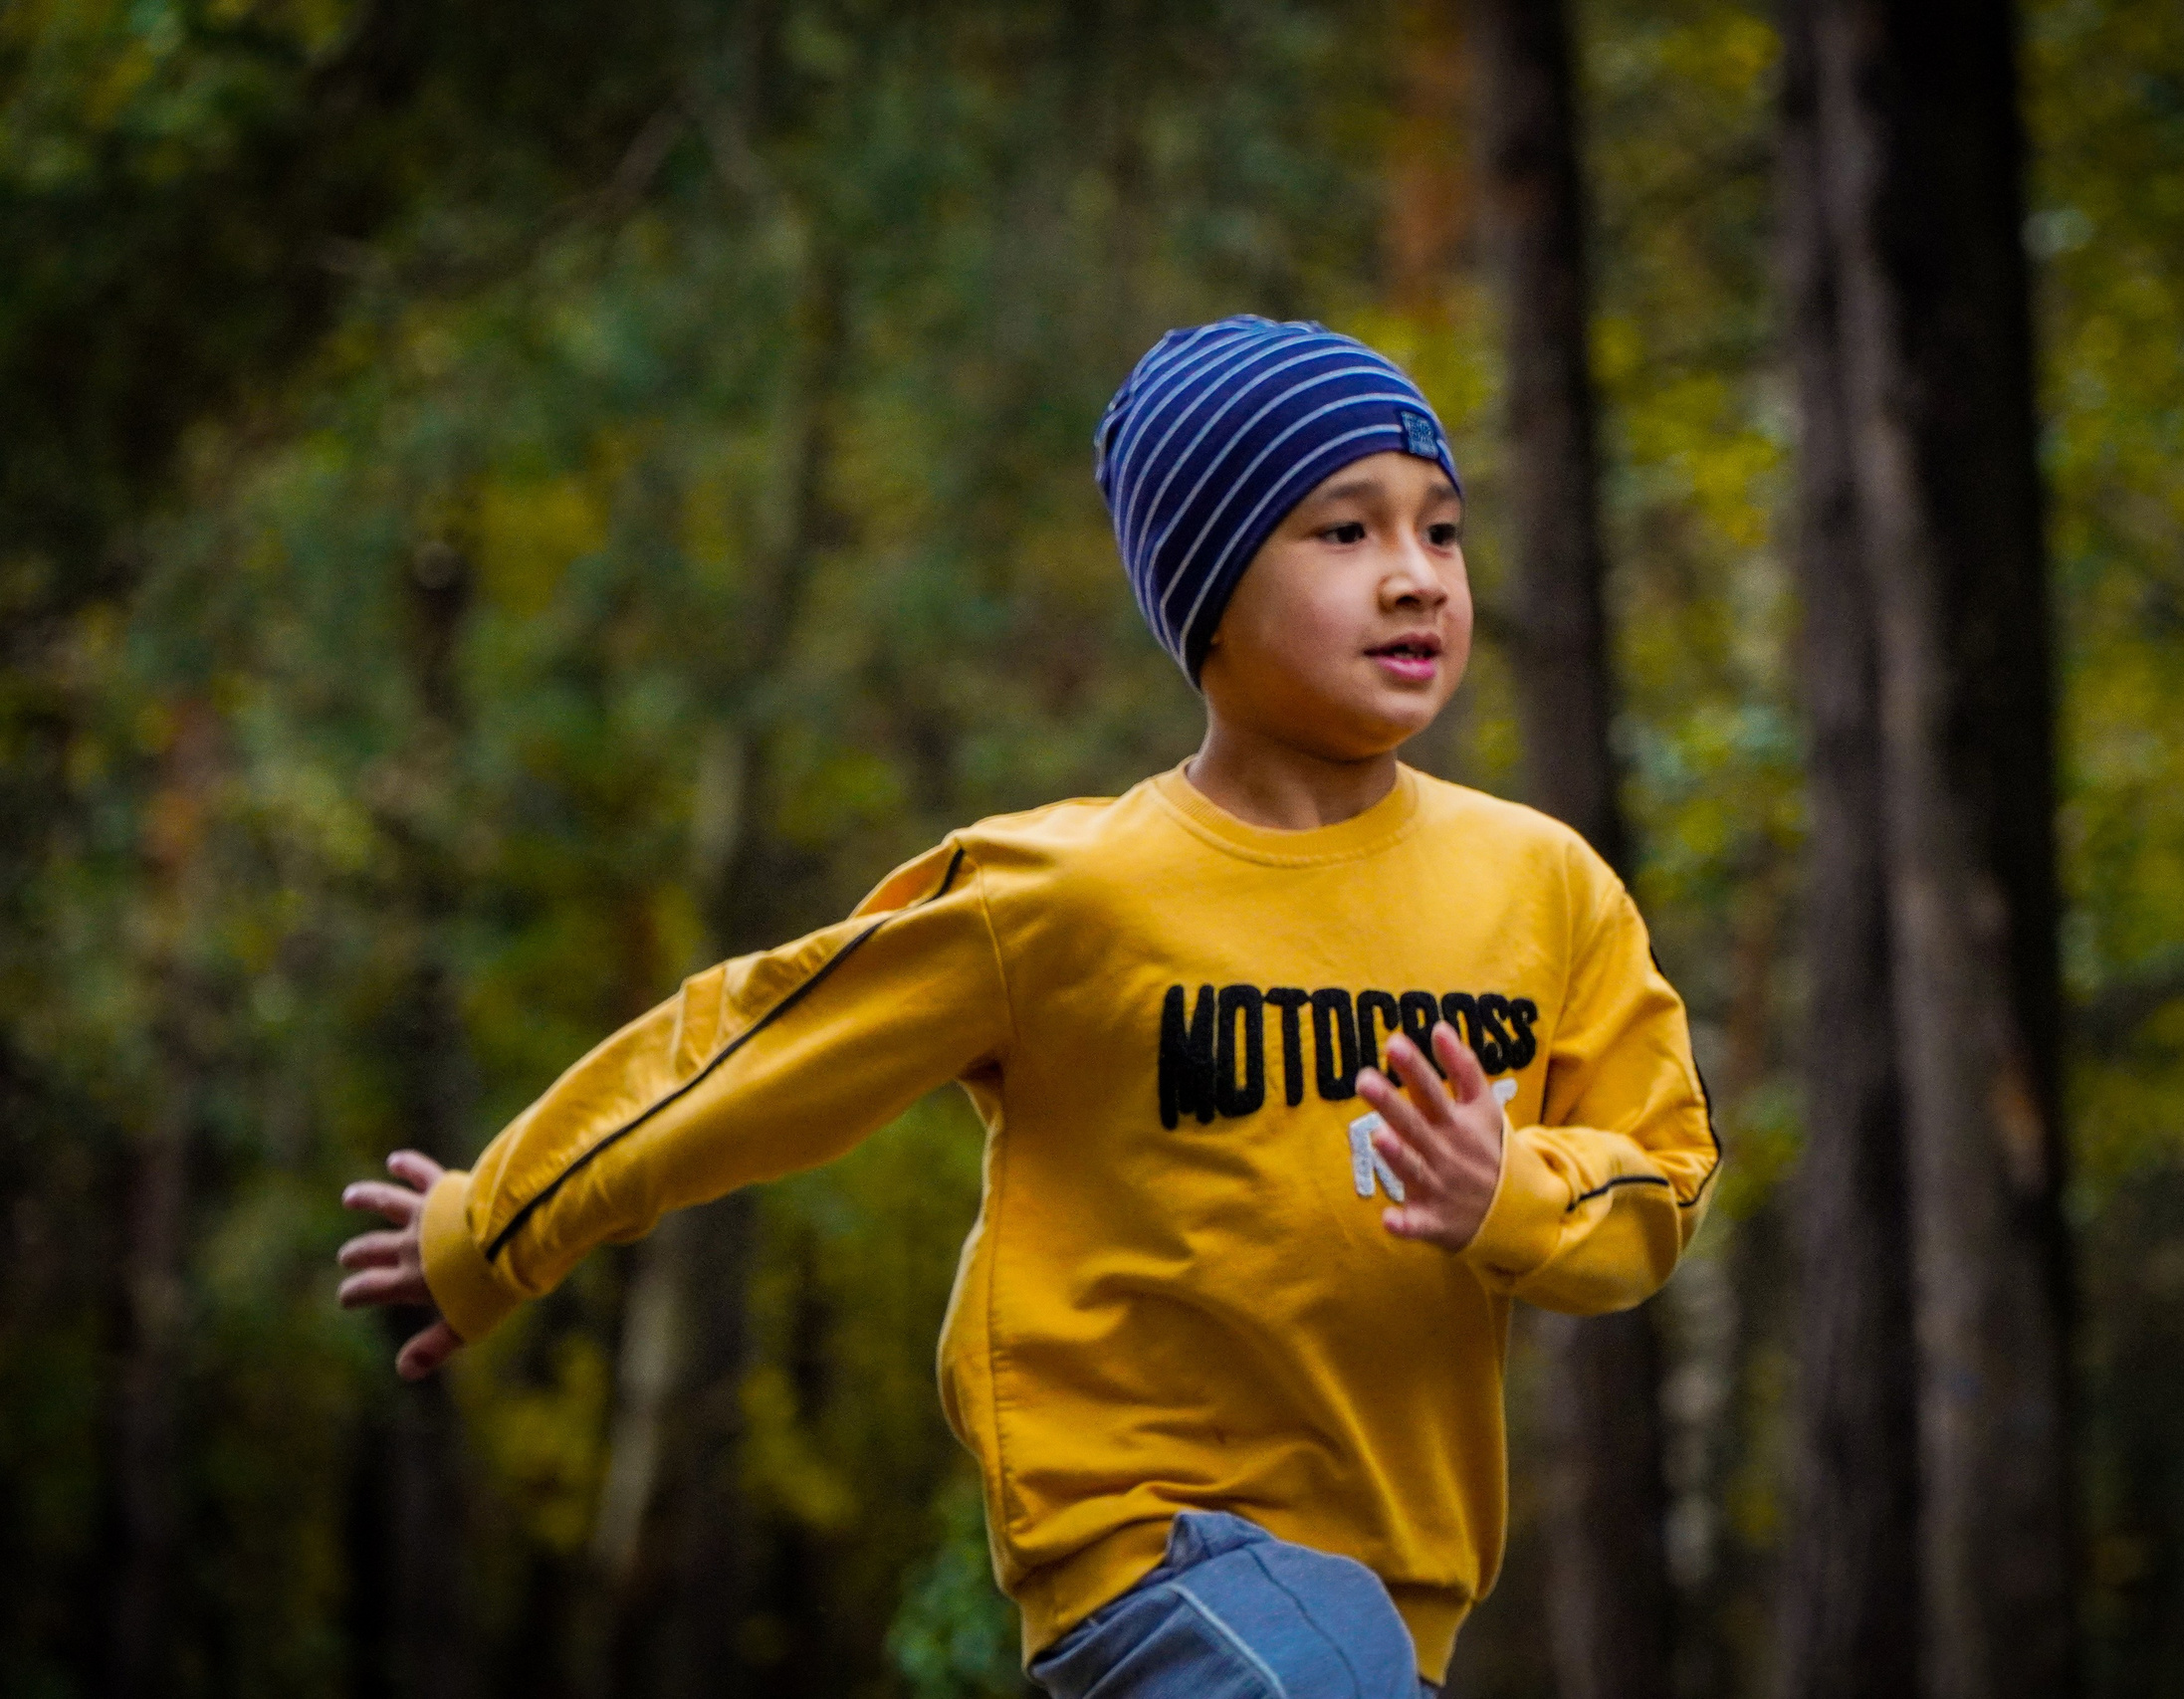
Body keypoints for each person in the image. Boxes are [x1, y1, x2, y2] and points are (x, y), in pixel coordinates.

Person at [337, 315, 1721, 1697]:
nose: (1417, 579)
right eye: (1344, 534)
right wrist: (493, 1224)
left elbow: (1660, 1182)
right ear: (1212, 586)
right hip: (1146, 1554)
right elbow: (755, 1050)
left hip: (1398, 1609)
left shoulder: (1542, 889)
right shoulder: (1068, 896)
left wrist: (1512, 1194)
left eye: (1442, 532)